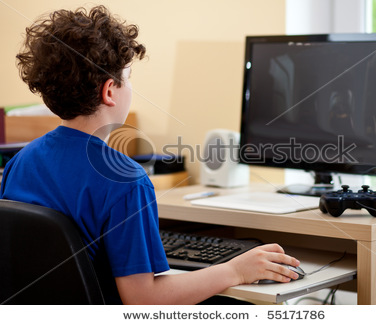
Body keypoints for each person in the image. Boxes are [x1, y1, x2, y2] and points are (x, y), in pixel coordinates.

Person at [0, 5, 301, 304]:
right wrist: (235, 269)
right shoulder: (126, 180)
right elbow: (143, 299)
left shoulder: (19, 163)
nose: (130, 87)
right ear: (109, 91)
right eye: (128, 78)